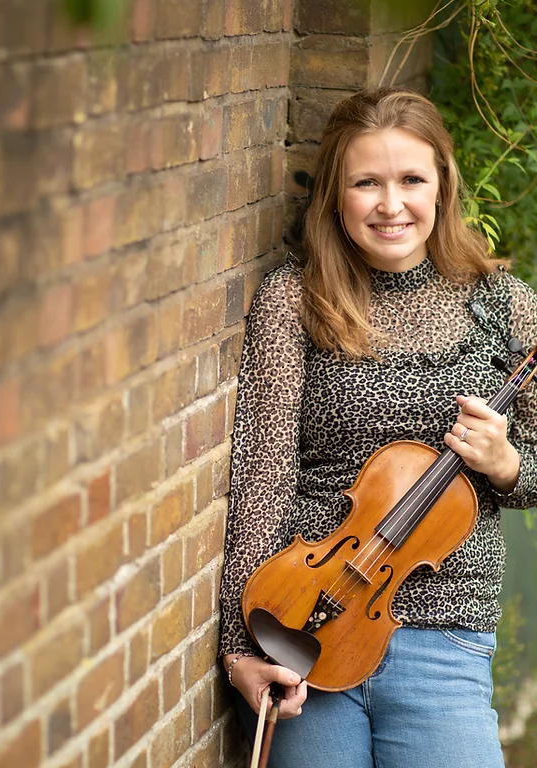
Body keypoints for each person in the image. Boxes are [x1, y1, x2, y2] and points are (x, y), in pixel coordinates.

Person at [218, 87, 537, 768]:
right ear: (336, 195)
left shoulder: (505, 307)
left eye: (411, 180)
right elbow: (264, 478)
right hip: (309, 627)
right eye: (367, 183)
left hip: (445, 640)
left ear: (442, 188)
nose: (392, 205)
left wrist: (506, 463)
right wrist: (243, 647)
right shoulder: (294, 301)